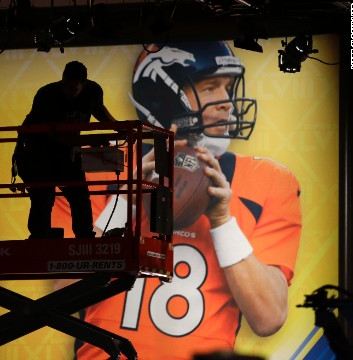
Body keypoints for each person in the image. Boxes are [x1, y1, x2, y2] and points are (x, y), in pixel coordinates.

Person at [56, 41, 302, 359]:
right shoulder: (99, 165)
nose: (227, 102)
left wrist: (222, 221)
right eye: (210, 87)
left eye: (227, 88)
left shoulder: (269, 180)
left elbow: (268, 318)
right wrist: (124, 205)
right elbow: (64, 296)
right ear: (163, 95)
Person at [14, 60, 118, 239]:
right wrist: (92, 139)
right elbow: (55, 136)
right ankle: (40, 236)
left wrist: (122, 128)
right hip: (38, 153)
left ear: (83, 85)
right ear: (61, 80)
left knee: (80, 196)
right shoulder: (47, 95)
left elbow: (100, 112)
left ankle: (84, 236)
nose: (68, 92)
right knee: (43, 197)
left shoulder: (92, 92)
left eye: (73, 89)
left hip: (68, 153)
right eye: (66, 87)